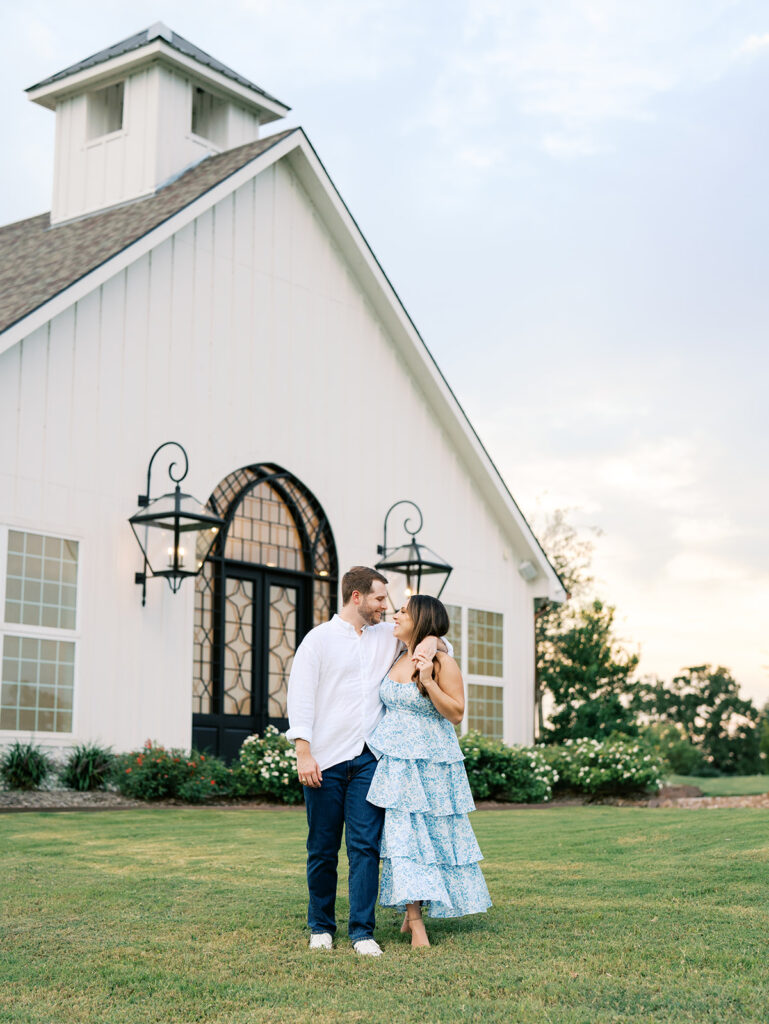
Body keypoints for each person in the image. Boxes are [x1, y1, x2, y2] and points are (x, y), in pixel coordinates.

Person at [286, 566, 450, 957]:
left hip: (368, 759)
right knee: (322, 848)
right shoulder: (318, 640)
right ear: (356, 597)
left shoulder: (384, 637)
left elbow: (440, 643)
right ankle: (321, 926)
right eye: (379, 599)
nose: (385, 607)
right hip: (323, 760)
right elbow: (301, 697)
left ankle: (362, 932)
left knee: (365, 847)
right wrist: (303, 751)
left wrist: (430, 643)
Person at [366, 594, 491, 948]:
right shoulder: (396, 655)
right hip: (396, 764)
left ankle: (413, 914)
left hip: (433, 765)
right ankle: (416, 922)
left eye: (403, 612)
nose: (395, 614)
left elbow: (456, 713)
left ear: (420, 619)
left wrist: (428, 680)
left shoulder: (440, 661)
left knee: (428, 841)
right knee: (403, 841)